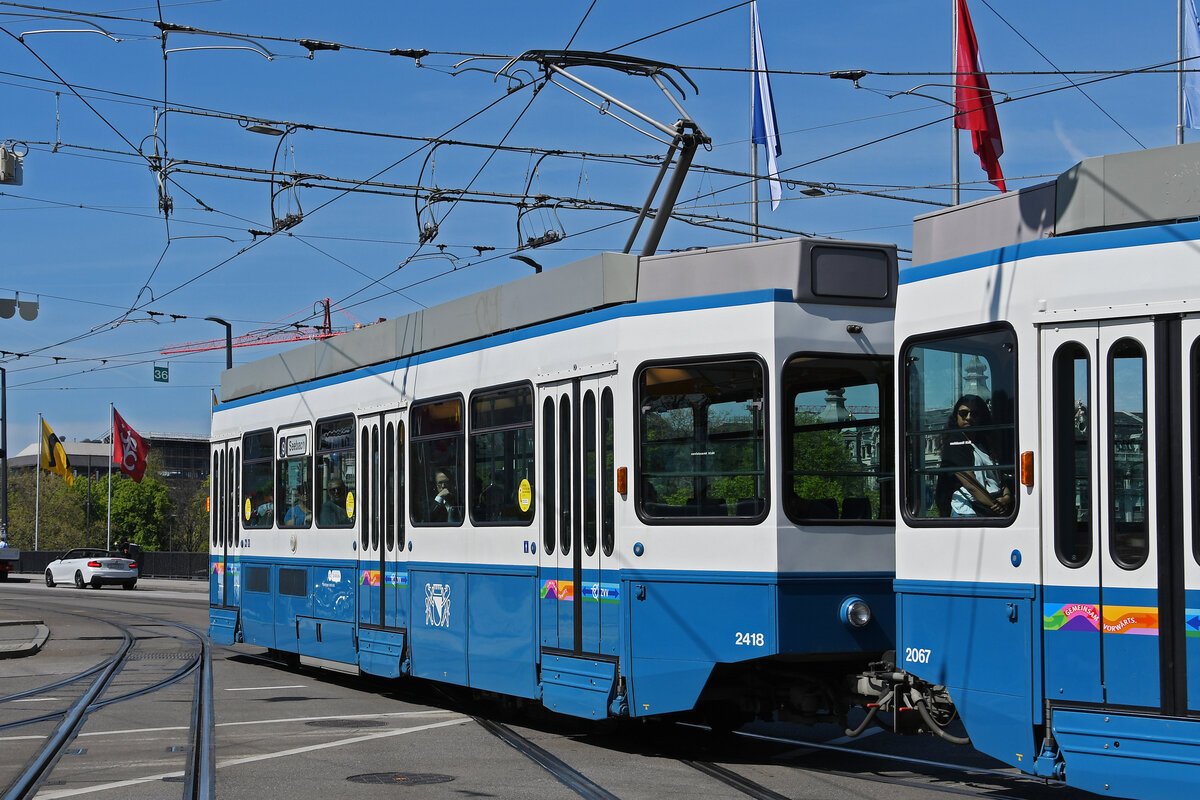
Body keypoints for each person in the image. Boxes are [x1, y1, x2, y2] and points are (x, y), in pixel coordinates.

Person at [936, 394, 1013, 517]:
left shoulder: (986, 444)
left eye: (974, 414)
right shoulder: (954, 443)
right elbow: (970, 484)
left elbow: (999, 479)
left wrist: (1007, 498)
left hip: (992, 506)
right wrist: (996, 506)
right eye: (963, 413)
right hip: (969, 512)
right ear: (956, 416)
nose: (968, 417)